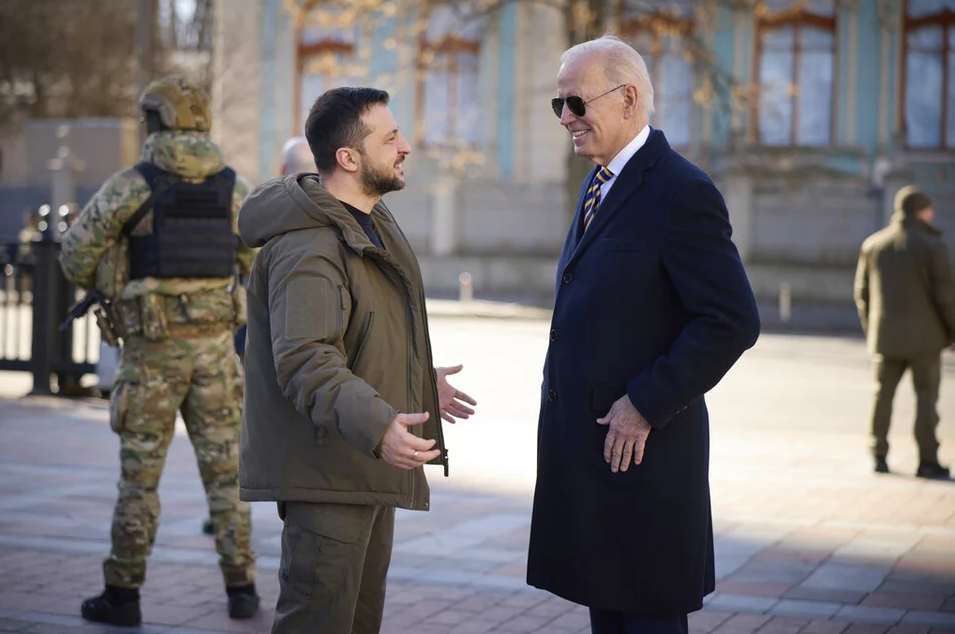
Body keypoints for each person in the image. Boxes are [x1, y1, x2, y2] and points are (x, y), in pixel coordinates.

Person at [526, 37, 761, 634]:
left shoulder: (681, 191)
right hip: (596, 463)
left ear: (628, 99)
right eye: (558, 105)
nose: (566, 118)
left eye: (576, 103)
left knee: (648, 620)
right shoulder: (599, 181)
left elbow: (731, 319)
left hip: (646, 464)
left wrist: (646, 403)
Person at [237, 86, 477, 634]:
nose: (406, 146)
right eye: (390, 138)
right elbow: (306, 360)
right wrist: (378, 423)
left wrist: (419, 381)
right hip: (329, 475)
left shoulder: (370, 222)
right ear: (348, 157)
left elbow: (358, 336)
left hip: (362, 465)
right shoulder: (309, 245)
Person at [58, 76, 260, 627]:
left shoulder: (132, 185)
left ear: (156, 120)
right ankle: (242, 588)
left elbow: (74, 256)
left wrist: (117, 268)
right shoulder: (234, 188)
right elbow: (258, 264)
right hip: (217, 357)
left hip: (150, 358)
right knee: (228, 477)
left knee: (139, 479)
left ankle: (122, 595)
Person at [854, 185, 955, 479]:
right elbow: (945, 297)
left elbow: (862, 294)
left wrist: (872, 329)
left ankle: (878, 455)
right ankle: (927, 461)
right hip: (925, 340)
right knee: (926, 399)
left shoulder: (874, 245)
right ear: (920, 211)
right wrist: (952, 333)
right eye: (929, 209)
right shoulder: (932, 246)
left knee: (882, 396)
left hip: (885, 337)